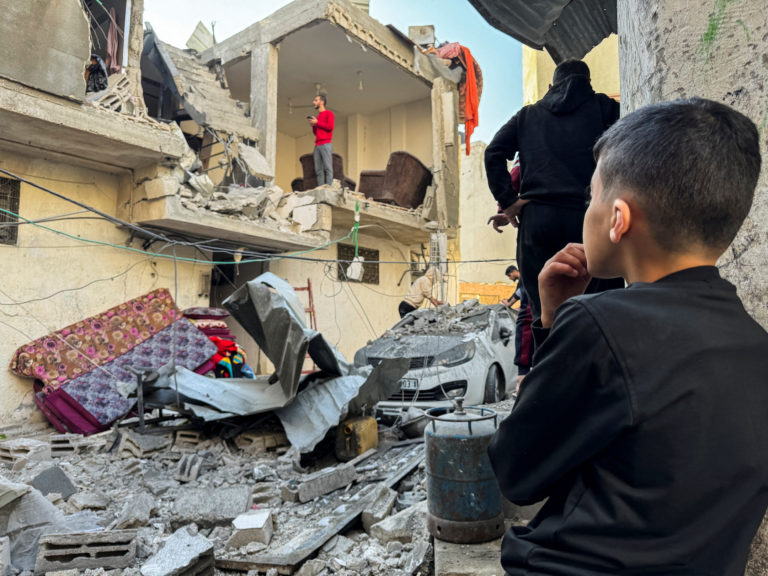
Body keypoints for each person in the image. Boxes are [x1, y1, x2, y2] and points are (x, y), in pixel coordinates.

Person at [488, 98, 768, 575]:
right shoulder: (755, 345)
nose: (587, 210)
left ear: (618, 218)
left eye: (591, 197)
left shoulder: (600, 324)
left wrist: (554, 321)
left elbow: (517, 473)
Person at [485, 59, 623, 322]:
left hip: (539, 222)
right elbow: (633, 138)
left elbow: (493, 152)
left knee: (545, 314)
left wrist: (508, 201)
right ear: (588, 85)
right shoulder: (603, 107)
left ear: (551, 85)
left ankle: (552, 360)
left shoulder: (527, 116)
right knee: (603, 312)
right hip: (589, 219)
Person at [307, 94, 335, 186]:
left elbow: (330, 127)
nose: (313, 102)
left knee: (328, 168)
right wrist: (314, 126)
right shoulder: (318, 117)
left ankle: (329, 190)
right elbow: (316, 133)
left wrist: (317, 123)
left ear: (322, 102)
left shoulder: (329, 113)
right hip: (317, 145)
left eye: (316, 100)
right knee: (318, 170)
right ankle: (321, 190)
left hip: (326, 144)